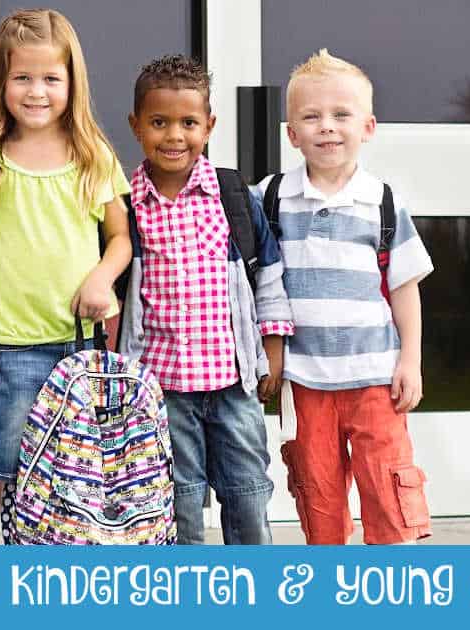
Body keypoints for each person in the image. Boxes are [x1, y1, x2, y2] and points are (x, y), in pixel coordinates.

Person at [259, 49, 434, 544]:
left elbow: (404, 289)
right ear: (292, 134)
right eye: (311, 117)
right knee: (318, 494)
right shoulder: (271, 198)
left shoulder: (383, 202)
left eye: (341, 115)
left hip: (375, 378)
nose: (327, 127)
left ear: (368, 126)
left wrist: (410, 362)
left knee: (388, 491)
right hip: (305, 381)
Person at [119, 54, 295, 544]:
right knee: (177, 495)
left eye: (188, 123)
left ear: (209, 125)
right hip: (163, 386)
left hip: (232, 382)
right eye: (159, 122)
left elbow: (269, 273)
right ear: (136, 125)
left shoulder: (231, 194)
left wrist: (272, 350)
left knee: (247, 491)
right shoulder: (126, 204)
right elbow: (119, 298)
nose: (174, 135)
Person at [0, 9, 132, 496]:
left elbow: (120, 239)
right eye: (23, 78)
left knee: (79, 474)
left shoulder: (91, 155)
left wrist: (101, 279)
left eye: (51, 78)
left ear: (72, 82)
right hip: (12, 347)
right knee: (16, 476)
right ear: (2, 81)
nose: (37, 91)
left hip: (80, 344)